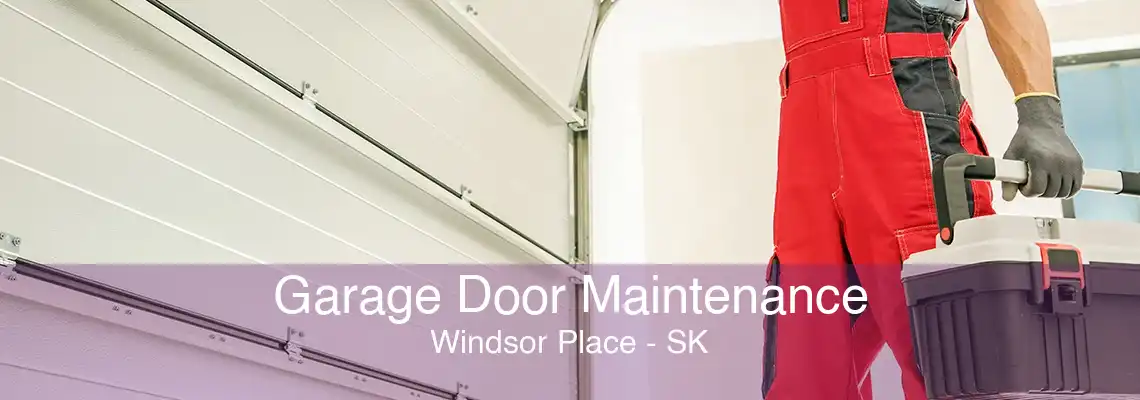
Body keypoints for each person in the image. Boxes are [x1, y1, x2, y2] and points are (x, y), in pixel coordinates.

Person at [761, 0, 1084, 399]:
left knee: (949, 353)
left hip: (902, 105)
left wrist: (1041, 111)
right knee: (803, 362)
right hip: (803, 126)